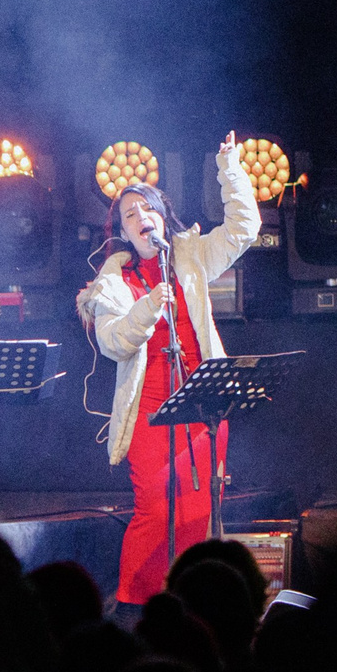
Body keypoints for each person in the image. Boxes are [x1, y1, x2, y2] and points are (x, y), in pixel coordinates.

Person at [77, 132, 262, 608]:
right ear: (121, 229)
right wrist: (145, 311)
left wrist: (229, 167)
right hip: (149, 411)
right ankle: (135, 610)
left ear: (164, 216)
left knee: (197, 514)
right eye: (130, 215)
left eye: (148, 209)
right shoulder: (114, 280)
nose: (142, 218)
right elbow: (112, 341)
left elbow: (244, 228)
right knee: (156, 511)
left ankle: (191, 607)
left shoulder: (192, 257)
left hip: (203, 402)